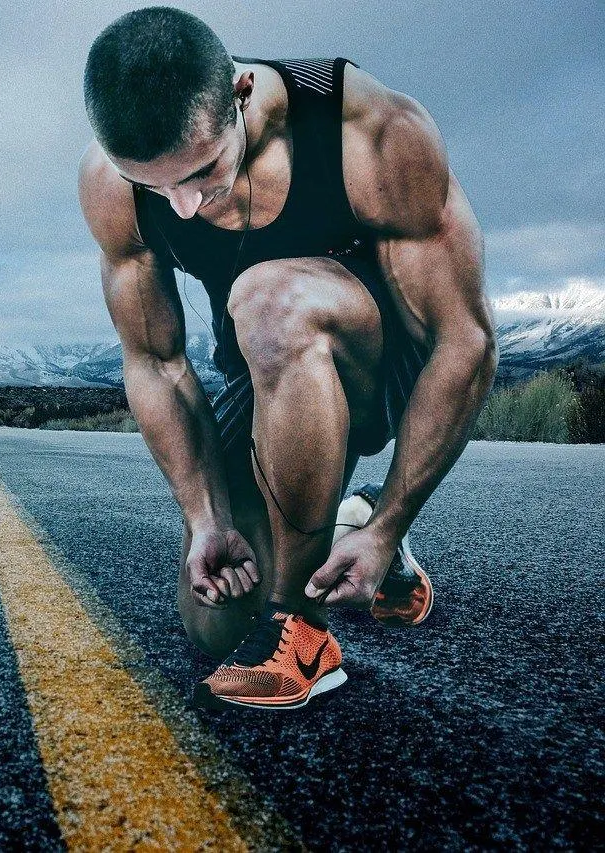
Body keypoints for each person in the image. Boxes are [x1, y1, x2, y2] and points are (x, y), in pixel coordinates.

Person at [77, 7, 496, 709]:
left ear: (241, 94)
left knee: (267, 299)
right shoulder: (113, 183)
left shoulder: (371, 132)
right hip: (265, 370)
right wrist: (205, 516)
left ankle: (302, 633)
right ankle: (346, 529)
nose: (182, 207)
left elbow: (466, 340)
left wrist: (398, 518)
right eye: (158, 187)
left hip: (379, 366)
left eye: (204, 171)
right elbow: (155, 361)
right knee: (214, 620)